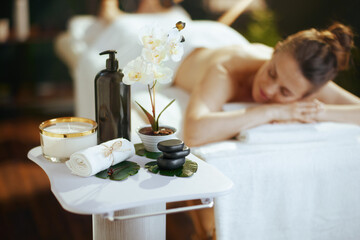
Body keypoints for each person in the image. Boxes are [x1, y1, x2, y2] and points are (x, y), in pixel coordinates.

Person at [174, 23, 360, 146]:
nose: (269, 88)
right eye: (271, 72)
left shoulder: (302, 76)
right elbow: (194, 133)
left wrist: (317, 111)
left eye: (285, 92)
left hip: (231, 41)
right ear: (276, 51)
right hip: (186, 47)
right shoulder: (226, 70)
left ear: (307, 95)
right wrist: (275, 111)